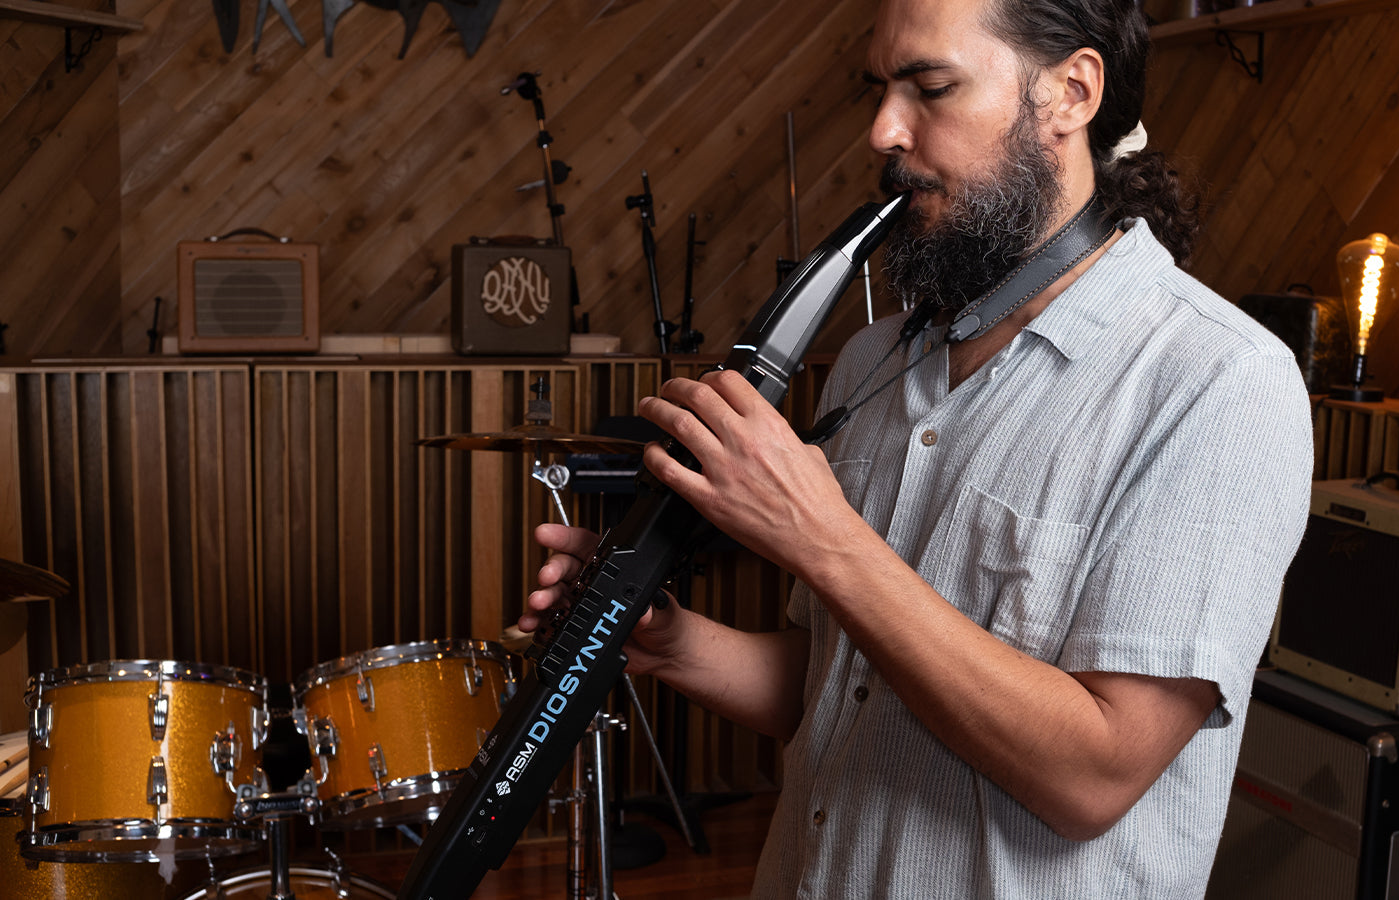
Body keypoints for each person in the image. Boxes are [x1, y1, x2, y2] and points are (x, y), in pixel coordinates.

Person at [521, 0, 1312, 895]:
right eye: (882, 89)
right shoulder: (874, 359)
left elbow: (1094, 775)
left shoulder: (1219, 382)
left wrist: (822, 537)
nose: (883, 130)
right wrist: (673, 644)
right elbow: (837, 688)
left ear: (1071, 92)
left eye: (930, 87)